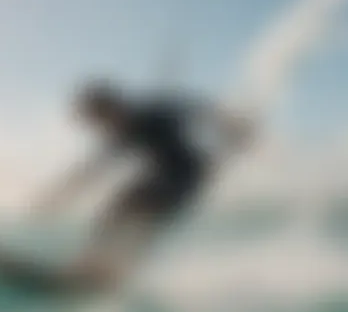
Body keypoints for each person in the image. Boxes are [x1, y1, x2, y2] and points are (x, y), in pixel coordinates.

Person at [31, 80, 253, 291]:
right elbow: (93, 168)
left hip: (188, 174)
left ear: (112, 106)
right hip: (164, 176)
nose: (101, 126)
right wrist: (58, 195)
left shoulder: (152, 112)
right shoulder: (123, 132)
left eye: (99, 118)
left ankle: (112, 273)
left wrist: (233, 125)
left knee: (141, 211)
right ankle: (92, 270)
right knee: (114, 212)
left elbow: (197, 108)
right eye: (96, 122)